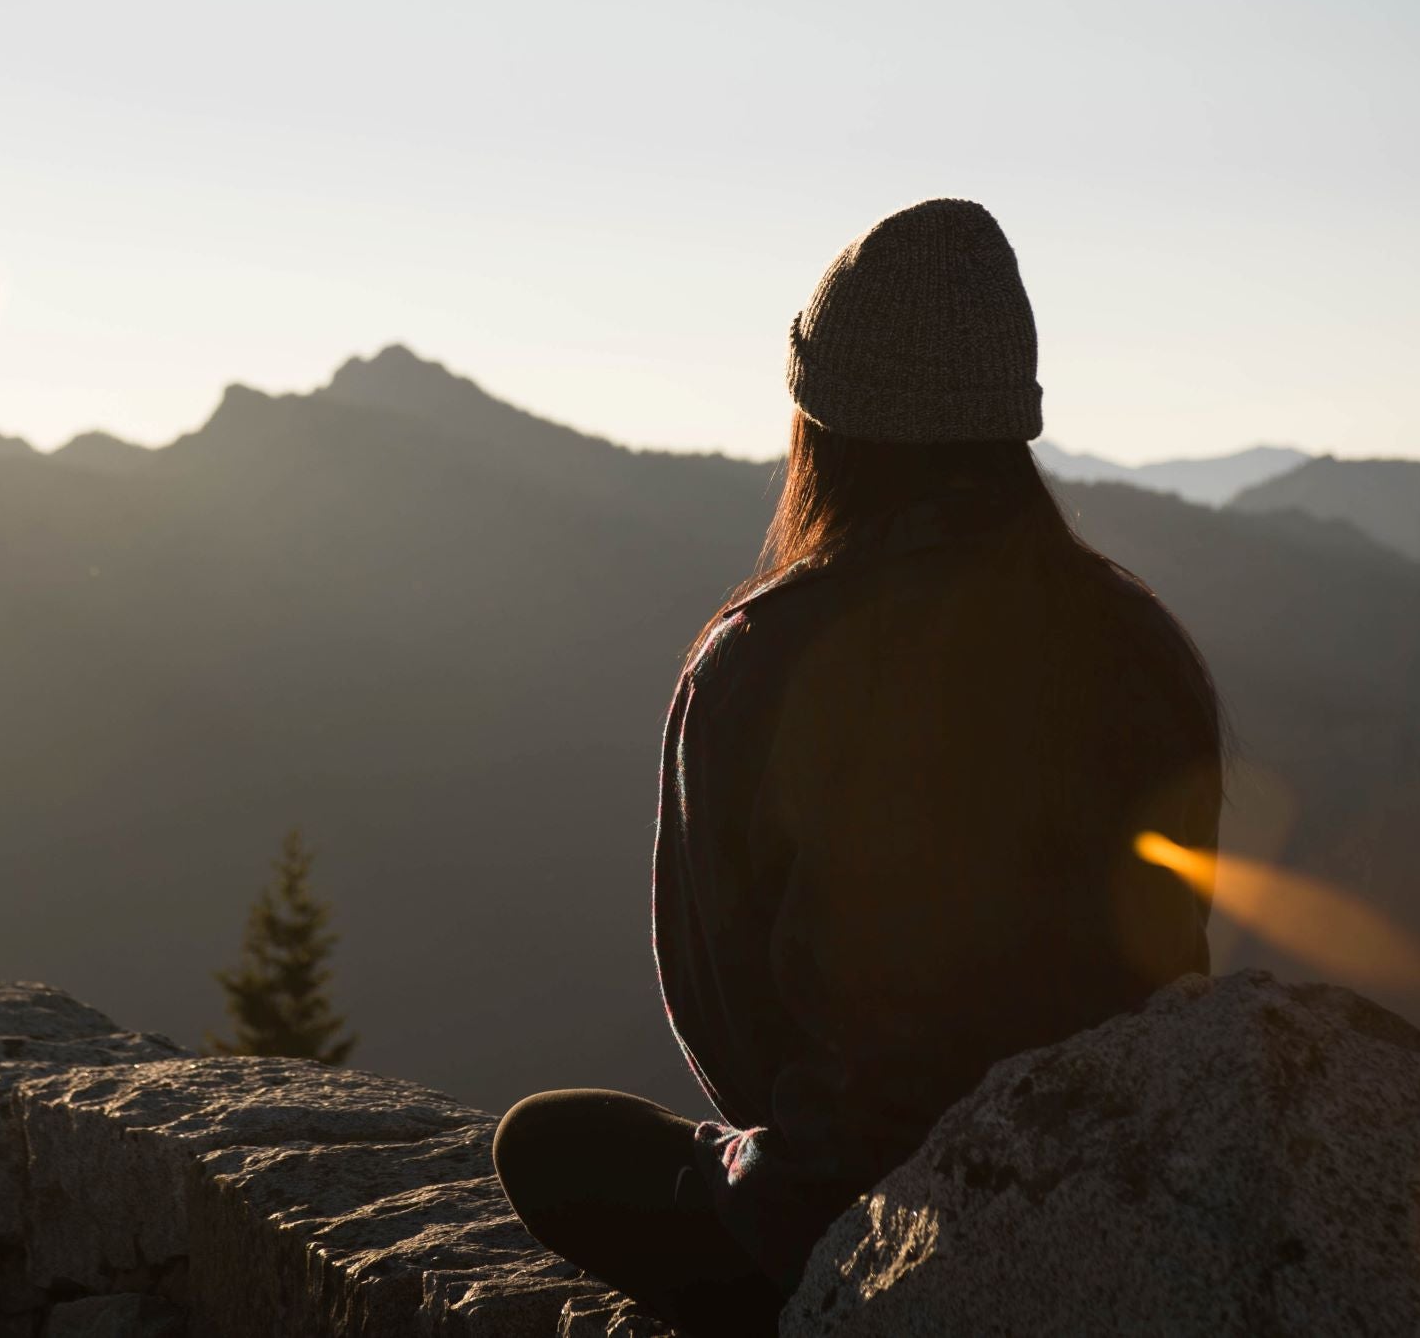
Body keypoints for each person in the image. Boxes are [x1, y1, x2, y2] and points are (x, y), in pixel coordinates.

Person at [490, 198, 1223, 1335]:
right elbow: (1173, 952)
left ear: (821, 422)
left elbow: (721, 1005)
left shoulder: (758, 657)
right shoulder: (1139, 645)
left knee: (551, 1142)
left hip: (850, 1220)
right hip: (1109, 1185)